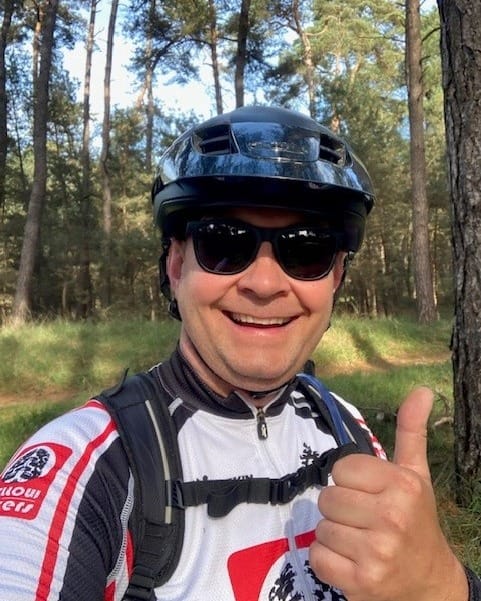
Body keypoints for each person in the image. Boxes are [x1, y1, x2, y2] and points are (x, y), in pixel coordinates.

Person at [0, 105, 478, 601]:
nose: (265, 284)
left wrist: (442, 585)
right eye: (224, 244)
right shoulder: (92, 466)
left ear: (335, 278)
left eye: (307, 250)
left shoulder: (345, 426)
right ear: (176, 267)